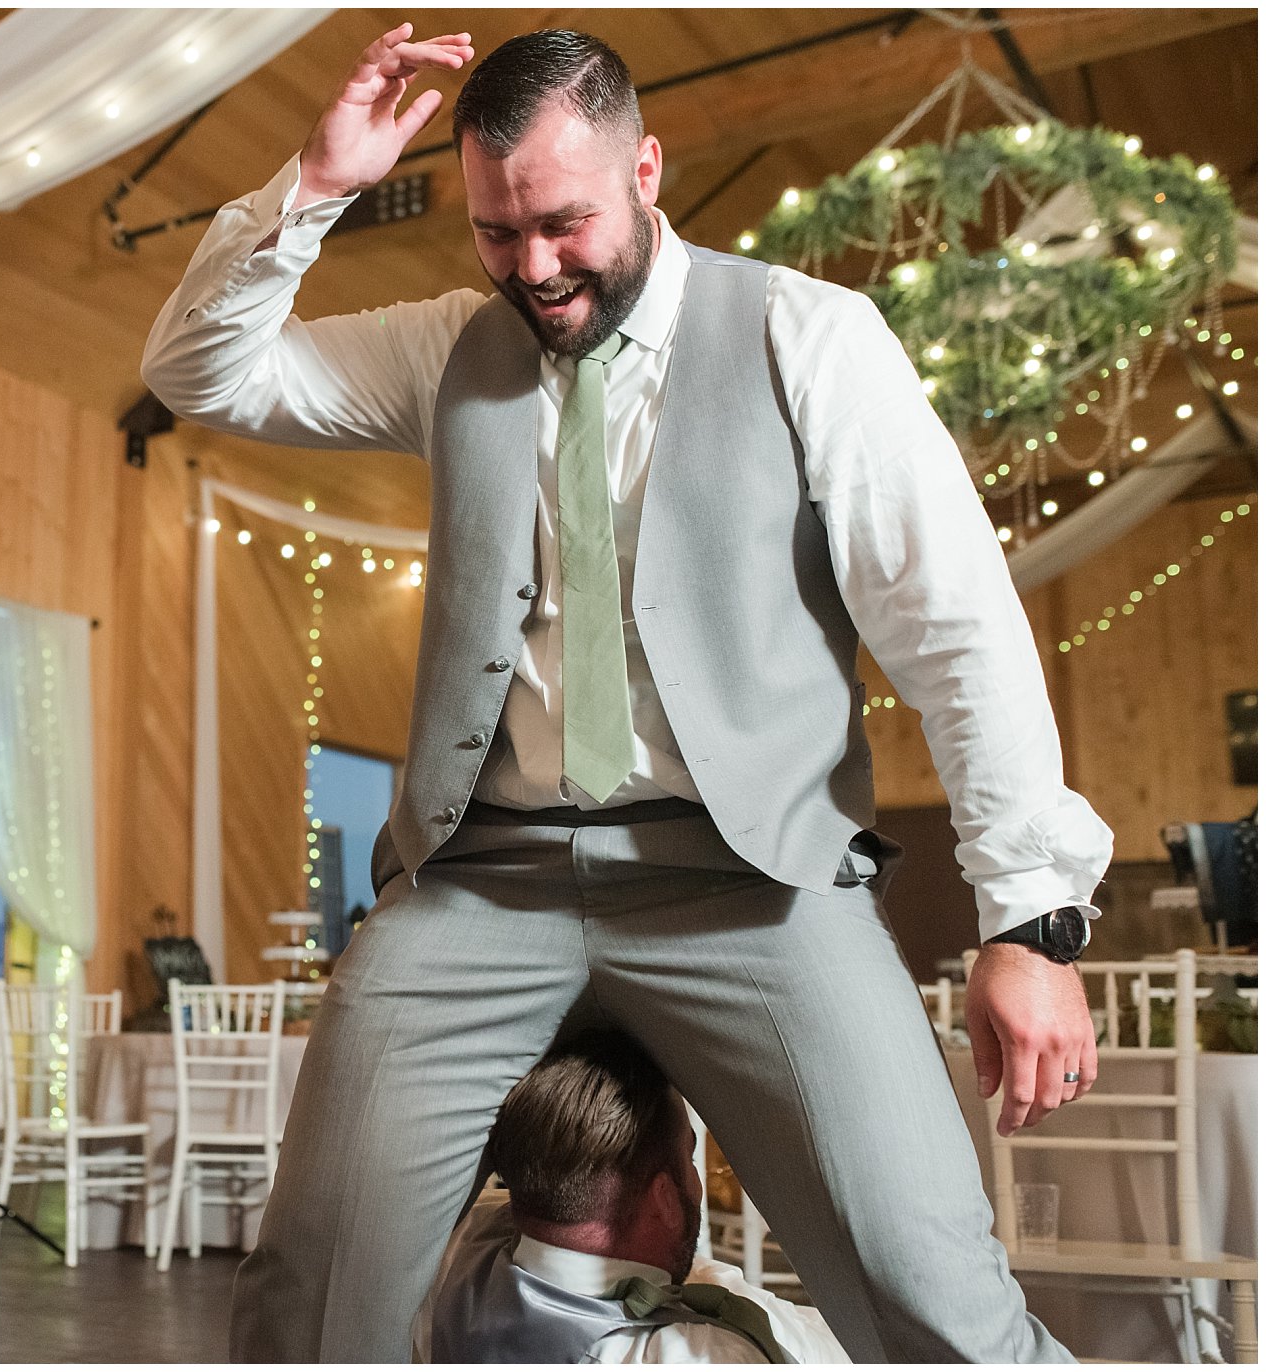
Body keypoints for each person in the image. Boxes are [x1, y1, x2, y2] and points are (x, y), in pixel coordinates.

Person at [142, 25, 1111, 1363]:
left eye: (564, 221)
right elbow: (200, 373)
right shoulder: (446, 348)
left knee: (930, 1295)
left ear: (646, 169)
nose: (533, 266)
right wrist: (314, 185)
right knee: (307, 1301)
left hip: (749, 882)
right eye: (496, 231)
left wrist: (1030, 923)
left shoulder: (808, 336)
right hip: (483, 879)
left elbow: (955, 628)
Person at [414, 1030, 849, 1363]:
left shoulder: (450, 1252)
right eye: (689, 1157)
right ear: (663, 1198)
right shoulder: (701, 1355)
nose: (698, 1184)